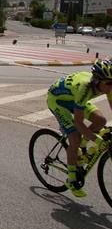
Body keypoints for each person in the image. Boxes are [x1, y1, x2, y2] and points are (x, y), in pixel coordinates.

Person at [47, 59, 112, 198]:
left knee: (101, 120)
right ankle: (71, 178)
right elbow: (78, 122)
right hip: (58, 101)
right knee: (75, 137)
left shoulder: (107, 85)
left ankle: (81, 151)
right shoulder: (84, 88)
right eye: (109, 83)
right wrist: (97, 140)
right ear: (97, 81)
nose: (111, 86)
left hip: (74, 98)